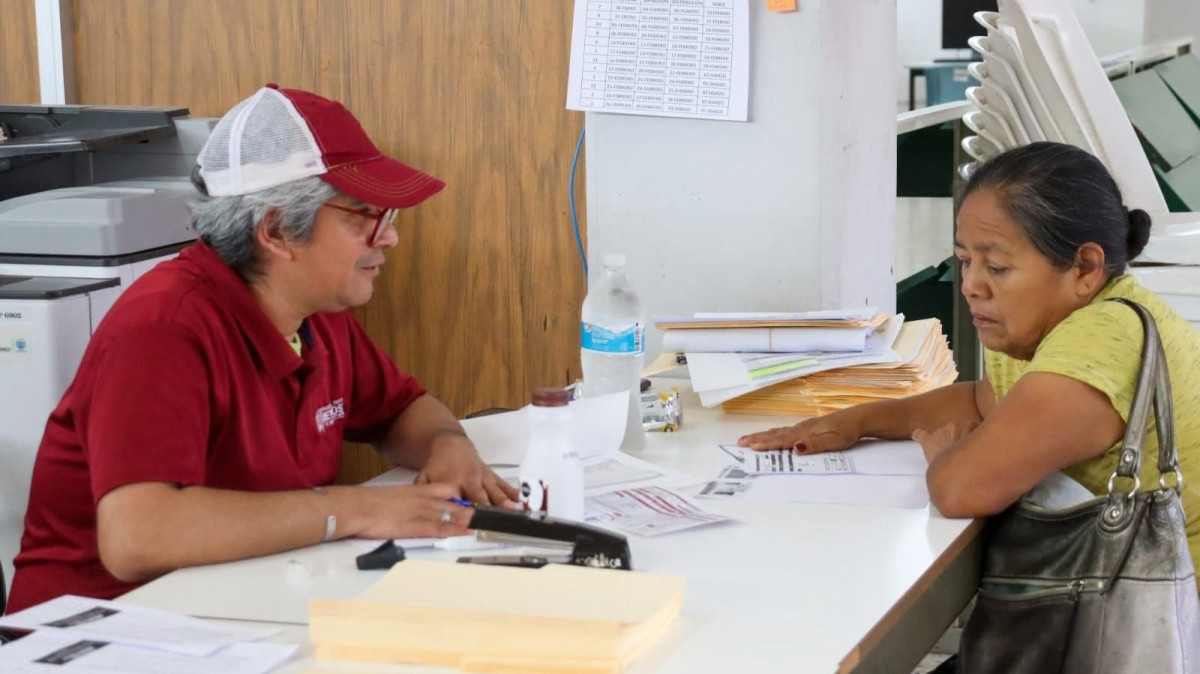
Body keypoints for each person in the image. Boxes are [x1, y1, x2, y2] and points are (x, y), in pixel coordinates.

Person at [6, 85, 516, 613]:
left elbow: (401, 409)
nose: (389, 239)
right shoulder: (164, 328)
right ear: (275, 230)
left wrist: (449, 447)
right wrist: (360, 509)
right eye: (364, 216)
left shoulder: (316, 309)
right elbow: (138, 536)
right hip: (110, 629)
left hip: (239, 606)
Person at [739, 141, 1200, 571]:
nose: (971, 286)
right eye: (965, 261)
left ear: (1084, 267)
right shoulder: (1045, 320)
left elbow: (961, 489)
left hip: (1170, 626)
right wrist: (856, 422)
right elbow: (985, 402)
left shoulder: (1102, 339)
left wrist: (946, 454)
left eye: (997, 267)